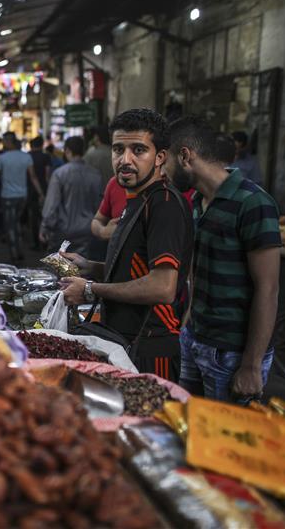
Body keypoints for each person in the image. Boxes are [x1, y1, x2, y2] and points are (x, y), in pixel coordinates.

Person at [59, 109, 193, 381]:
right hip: (124, 340)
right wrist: (91, 267)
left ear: (160, 157)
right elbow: (136, 268)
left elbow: (162, 287)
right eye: (118, 149)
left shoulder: (163, 205)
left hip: (150, 347)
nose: (125, 160)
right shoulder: (139, 199)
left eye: (138, 150)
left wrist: (89, 290)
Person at [166, 115, 281, 403]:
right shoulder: (196, 201)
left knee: (224, 431)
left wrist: (251, 365)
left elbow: (268, 289)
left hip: (231, 354)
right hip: (195, 339)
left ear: (185, 157)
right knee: (190, 424)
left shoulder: (253, 203)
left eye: (164, 161)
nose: (162, 171)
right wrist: (189, 320)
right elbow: (198, 268)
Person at [39, 136, 102, 256]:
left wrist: (45, 226)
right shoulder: (95, 174)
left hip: (63, 230)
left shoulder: (59, 174)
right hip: (88, 229)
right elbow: (98, 204)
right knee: (82, 264)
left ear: (67, 150)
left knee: (61, 263)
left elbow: (51, 206)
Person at [0, 132, 44, 262]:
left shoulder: (2, 158)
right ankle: (19, 249)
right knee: (16, 222)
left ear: (8, 141)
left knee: (10, 225)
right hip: (22, 196)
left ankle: (15, 253)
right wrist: (40, 193)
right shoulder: (26, 157)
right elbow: (33, 177)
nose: (3, 143)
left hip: (7, 196)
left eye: (4, 141)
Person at [28, 136, 53, 248]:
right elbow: (47, 175)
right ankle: (45, 240)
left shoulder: (28, 156)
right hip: (44, 188)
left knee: (34, 216)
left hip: (31, 189)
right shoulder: (46, 156)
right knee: (44, 215)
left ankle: (36, 242)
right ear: (42, 145)